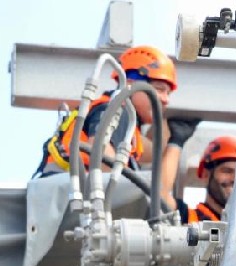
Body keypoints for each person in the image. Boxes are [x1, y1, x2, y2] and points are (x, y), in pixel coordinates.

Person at [34, 45, 198, 182]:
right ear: (130, 84)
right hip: (69, 196)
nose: (165, 99)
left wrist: (175, 140)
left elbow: (153, 152)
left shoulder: (126, 124)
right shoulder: (116, 111)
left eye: (168, 93)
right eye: (159, 89)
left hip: (61, 196)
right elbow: (103, 161)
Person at [161, 136, 236, 223]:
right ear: (206, 175)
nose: (235, 179)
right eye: (227, 171)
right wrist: (176, 142)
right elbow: (160, 198)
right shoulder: (186, 216)